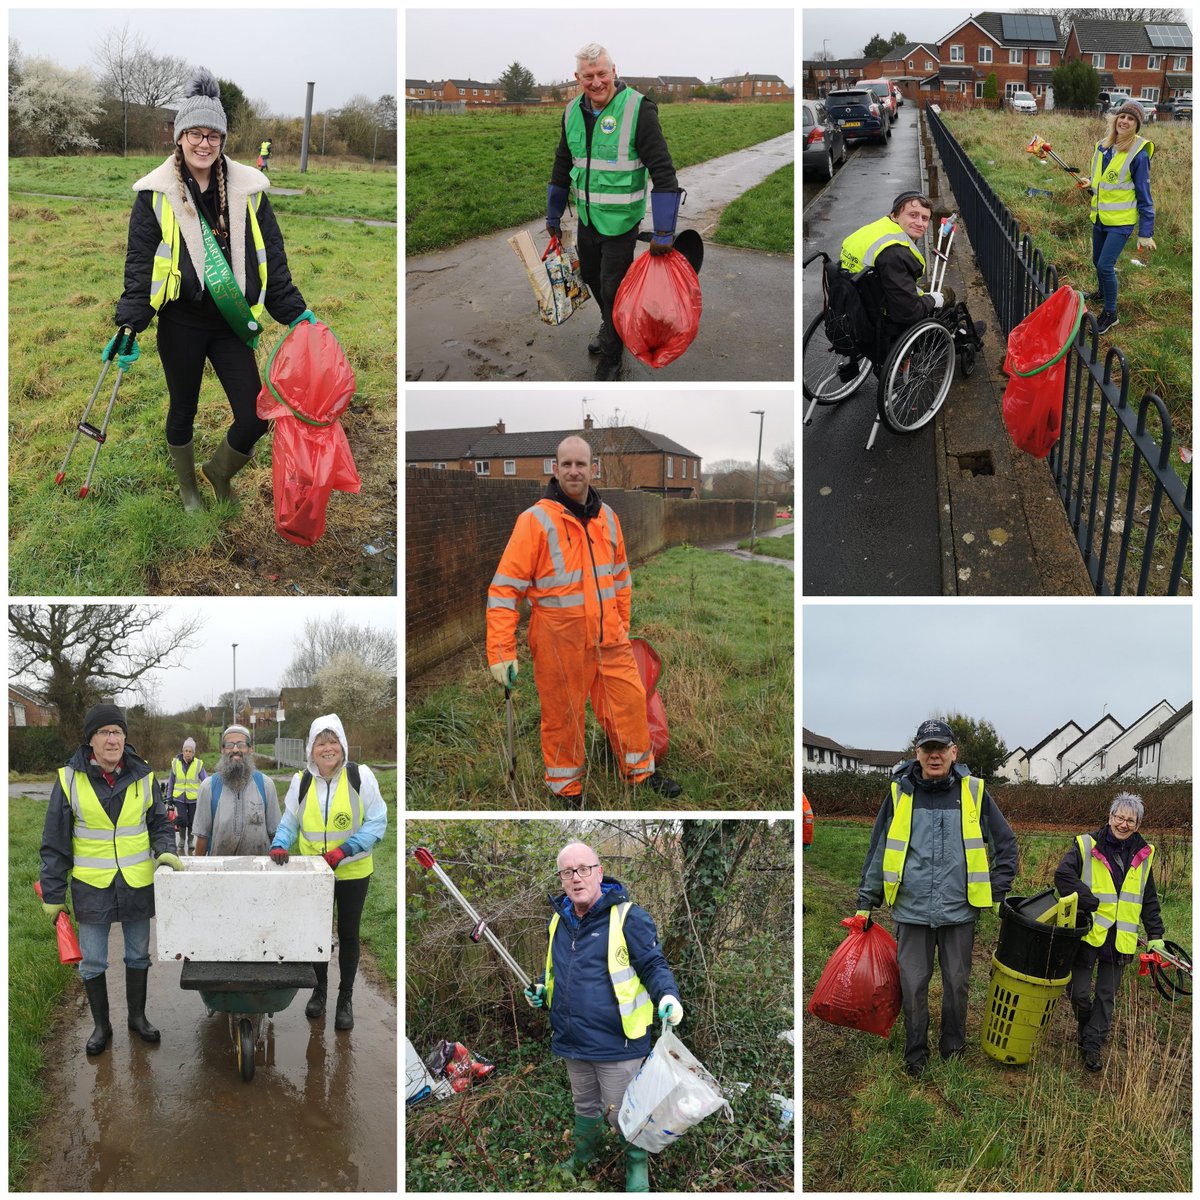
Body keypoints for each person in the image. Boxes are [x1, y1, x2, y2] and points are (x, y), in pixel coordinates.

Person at [113, 68, 313, 512]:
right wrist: (129, 323)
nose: (204, 144)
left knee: (254, 416)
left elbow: (271, 257)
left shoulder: (250, 191)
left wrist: (294, 310)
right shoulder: (155, 194)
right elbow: (140, 264)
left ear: (224, 140)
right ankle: (188, 490)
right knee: (183, 408)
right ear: (180, 137)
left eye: (213, 136)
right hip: (180, 323)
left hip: (229, 323)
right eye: (195, 134)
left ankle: (219, 470)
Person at [486, 434, 681, 804]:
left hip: (610, 638)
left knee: (629, 704)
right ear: (555, 469)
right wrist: (500, 650)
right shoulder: (534, 521)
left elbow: (621, 577)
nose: (574, 471)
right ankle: (566, 788)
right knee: (563, 717)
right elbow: (504, 590)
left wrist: (621, 622)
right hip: (560, 642)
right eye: (567, 464)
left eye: (581, 464)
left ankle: (640, 772)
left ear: (593, 469)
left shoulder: (608, 517)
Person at [856, 719, 1017, 1077]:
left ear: (953, 752)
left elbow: (1005, 844)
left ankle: (953, 1047)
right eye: (927, 749)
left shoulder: (973, 792)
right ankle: (916, 1052)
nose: (934, 756)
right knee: (912, 985)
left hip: (959, 911)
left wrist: (997, 889)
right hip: (911, 910)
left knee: (957, 985)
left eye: (940, 749)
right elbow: (879, 848)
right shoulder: (900, 793)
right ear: (917, 753)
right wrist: (866, 901)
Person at [524, 841, 682, 1192]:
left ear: (599, 872)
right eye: (568, 872)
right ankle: (585, 1154)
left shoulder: (629, 917)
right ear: (561, 879)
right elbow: (555, 973)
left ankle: (636, 1166)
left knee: (624, 1111)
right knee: (585, 1104)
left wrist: (668, 995)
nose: (576, 878)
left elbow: (654, 965)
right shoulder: (558, 921)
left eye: (583, 869)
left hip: (618, 1043)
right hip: (572, 1040)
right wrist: (540, 988)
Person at [39, 704, 181, 1056]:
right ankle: (102, 1027)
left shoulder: (144, 776)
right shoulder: (69, 779)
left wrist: (165, 851)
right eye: (104, 732)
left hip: (136, 882)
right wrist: (54, 894)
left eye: (117, 732)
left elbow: (160, 824)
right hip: (91, 887)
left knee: (137, 955)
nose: (112, 738)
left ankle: (138, 1017)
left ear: (125, 738)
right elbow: (54, 843)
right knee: (93, 961)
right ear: (91, 741)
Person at [547, 43, 683, 382]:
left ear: (614, 72)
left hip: (622, 222)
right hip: (588, 219)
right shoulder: (571, 112)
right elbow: (563, 164)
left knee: (613, 288)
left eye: (602, 74)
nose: (596, 82)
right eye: (588, 76)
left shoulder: (639, 109)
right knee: (592, 279)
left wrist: (665, 232)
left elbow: (663, 172)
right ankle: (612, 325)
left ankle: (613, 354)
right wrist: (553, 215)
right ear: (577, 78)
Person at [269, 715, 388, 1031]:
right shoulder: (301, 781)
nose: (327, 748)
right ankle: (319, 990)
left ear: (342, 745)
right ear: (311, 749)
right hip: (315, 874)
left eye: (332, 741)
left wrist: (344, 851)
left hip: (353, 871)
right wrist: (281, 843)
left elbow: (378, 821)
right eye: (320, 742)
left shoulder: (360, 777)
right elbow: (289, 821)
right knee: (317, 934)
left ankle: (345, 997)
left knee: (348, 934)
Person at [1054, 792, 1164, 1072]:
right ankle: (1087, 1024)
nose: (1124, 824)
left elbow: (1148, 897)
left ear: (1137, 825)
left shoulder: (1144, 854)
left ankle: (1092, 1045)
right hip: (1089, 933)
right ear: (1110, 817)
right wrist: (1088, 900)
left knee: (1106, 996)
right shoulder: (1086, 844)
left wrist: (1155, 935)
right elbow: (1063, 876)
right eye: (1120, 817)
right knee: (1079, 993)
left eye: (1131, 820)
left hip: (1121, 938)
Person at [839, 191, 952, 348]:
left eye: (925, 218)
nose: (920, 223)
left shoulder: (873, 230)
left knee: (931, 288)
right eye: (913, 215)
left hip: (854, 303)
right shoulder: (895, 253)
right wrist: (934, 299)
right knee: (946, 292)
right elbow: (909, 311)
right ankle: (943, 339)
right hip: (883, 316)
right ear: (894, 215)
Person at [1086, 101, 1155, 335]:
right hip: (1100, 217)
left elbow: (1145, 196)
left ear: (1137, 125)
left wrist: (1145, 233)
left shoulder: (1138, 154)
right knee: (1097, 261)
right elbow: (1103, 180)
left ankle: (1111, 313)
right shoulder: (1103, 147)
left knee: (1105, 265)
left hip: (1121, 222)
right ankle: (1102, 292)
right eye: (1122, 116)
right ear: (1115, 119)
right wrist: (1090, 183)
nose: (1125, 120)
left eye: (1131, 119)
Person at [193, 725, 280, 856]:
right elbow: (202, 837)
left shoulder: (266, 785)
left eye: (241, 744)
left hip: (259, 871)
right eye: (229, 745)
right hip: (220, 871)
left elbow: (275, 835)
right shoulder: (208, 787)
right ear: (222, 750)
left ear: (251, 749)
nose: (235, 749)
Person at [165, 736, 206, 854]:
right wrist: (169, 798)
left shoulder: (198, 764)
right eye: (186, 751)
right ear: (182, 751)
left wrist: (206, 796)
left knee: (192, 821)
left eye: (190, 751)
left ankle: (190, 841)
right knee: (182, 820)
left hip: (194, 798)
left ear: (193, 753)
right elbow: (171, 782)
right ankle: (182, 839)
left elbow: (205, 782)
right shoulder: (175, 764)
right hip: (179, 798)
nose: (188, 753)